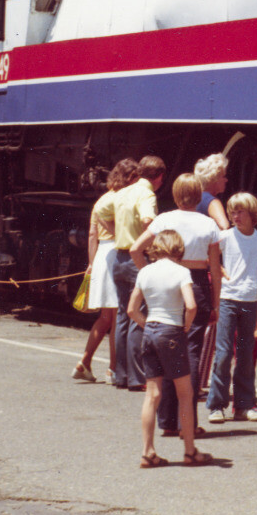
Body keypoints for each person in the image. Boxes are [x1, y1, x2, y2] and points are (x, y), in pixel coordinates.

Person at [134, 174, 221, 437]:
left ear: (175, 194)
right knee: (191, 353)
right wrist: (215, 303)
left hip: (167, 284)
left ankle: (168, 422)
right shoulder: (209, 224)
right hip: (197, 286)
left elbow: (135, 249)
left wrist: (149, 275)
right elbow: (215, 268)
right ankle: (188, 424)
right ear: (199, 195)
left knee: (167, 352)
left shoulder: (164, 220)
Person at [128, 229, 208, 468]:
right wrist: (185, 326)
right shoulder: (182, 272)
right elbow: (191, 305)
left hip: (150, 332)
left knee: (152, 395)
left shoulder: (145, 272)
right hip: (172, 332)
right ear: (178, 248)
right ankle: (190, 451)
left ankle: (147, 452)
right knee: (185, 393)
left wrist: (149, 325)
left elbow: (132, 309)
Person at [207, 192, 257, 423]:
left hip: (249, 300)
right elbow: (209, 255)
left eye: (240, 212)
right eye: (232, 212)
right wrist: (219, 269)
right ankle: (216, 406)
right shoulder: (226, 236)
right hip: (227, 300)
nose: (235, 216)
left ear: (252, 214)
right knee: (223, 354)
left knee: (246, 356)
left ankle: (244, 406)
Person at [110, 156, 164, 390]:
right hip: (136, 259)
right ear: (159, 177)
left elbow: (101, 213)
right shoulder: (147, 195)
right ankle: (137, 377)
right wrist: (151, 248)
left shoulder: (122, 192)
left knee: (123, 316)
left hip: (119, 259)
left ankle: (121, 375)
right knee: (137, 316)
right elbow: (148, 220)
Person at [72, 163, 127, 384]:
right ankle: (112, 369)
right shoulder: (121, 200)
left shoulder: (101, 201)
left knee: (105, 317)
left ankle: (85, 362)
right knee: (116, 317)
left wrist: (91, 263)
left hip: (101, 254)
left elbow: (92, 235)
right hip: (116, 252)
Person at [194, 154, 232, 229]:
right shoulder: (212, 202)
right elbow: (224, 226)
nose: (226, 180)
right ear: (214, 178)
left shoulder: (195, 198)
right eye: (223, 176)